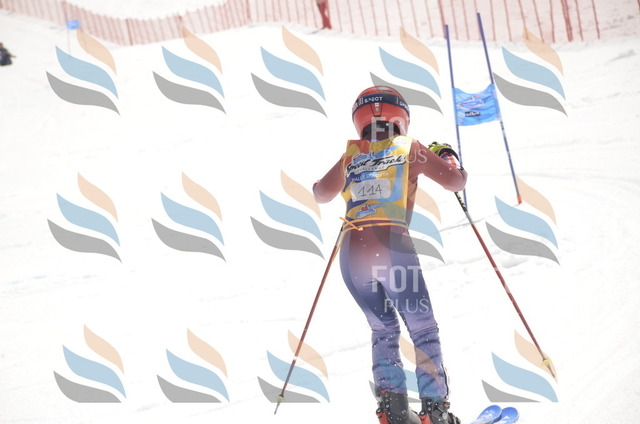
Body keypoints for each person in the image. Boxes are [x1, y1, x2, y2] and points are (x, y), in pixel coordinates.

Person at [313, 86, 467, 424]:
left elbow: (321, 193)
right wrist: (448, 157)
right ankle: (436, 413)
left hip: (352, 251)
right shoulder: (410, 147)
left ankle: (393, 412)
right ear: (401, 118)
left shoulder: (351, 155)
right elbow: (455, 182)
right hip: (392, 245)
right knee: (422, 328)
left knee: (382, 328)